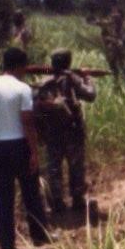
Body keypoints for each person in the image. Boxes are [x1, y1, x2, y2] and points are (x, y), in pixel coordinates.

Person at [0, 47, 52, 249]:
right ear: (20, 66)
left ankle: (7, 244)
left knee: (3, 195)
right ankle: (39, 235)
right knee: (30, 192)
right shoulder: (22, 89)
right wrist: (34, 152)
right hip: (20, 145)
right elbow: (28, 121)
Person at [33, 49, 101, 224]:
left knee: (53, 168)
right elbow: (90, 95)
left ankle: (57, 202)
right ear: (69, 62)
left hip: (52, 133)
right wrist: (87, 78)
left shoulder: (43, 83)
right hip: (72, 131)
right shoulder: (72, 79)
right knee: (76, 166)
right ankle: (77, 199)